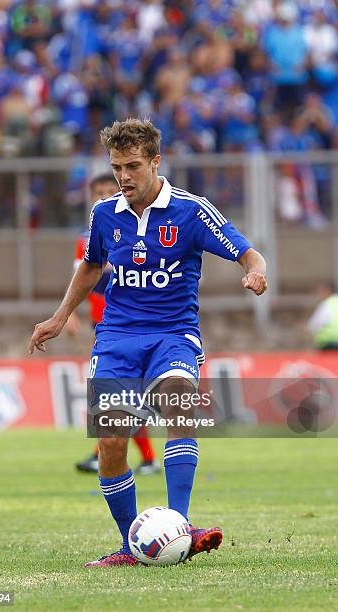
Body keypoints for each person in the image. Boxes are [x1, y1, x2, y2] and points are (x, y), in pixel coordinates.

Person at [28, 118, 267, 567]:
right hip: (117, 338)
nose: (123, 176)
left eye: (133, 166)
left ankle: (181, 524)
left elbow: (246, 250)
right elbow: (91, 266)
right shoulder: (104, 213)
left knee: (179, 405)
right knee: (112, 442)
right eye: (117, 167)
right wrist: (61, 316)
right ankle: (129, 547)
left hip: (173, 334)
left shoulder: (192, 212)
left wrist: (254, 270)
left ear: (156, 162)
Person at [69, 173, 160, 476]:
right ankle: (132, 456)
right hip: (103, 323)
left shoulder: (136, 228)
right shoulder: (87, 236)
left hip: (131, 322)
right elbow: (81, 278)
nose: (106, 196)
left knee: (123, 394)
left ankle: (125, 455)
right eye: (99, 192)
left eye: (111, 191)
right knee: (118, 395)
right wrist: (69, 313)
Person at [307, 282, 338, 350]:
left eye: (321, 291)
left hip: (329, 344)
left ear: (327, 291)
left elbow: (314, 324)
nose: (319, 294)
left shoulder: (327, 304)